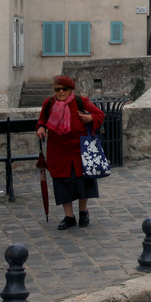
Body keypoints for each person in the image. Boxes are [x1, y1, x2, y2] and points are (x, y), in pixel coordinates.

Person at [36, 75, 105, 230]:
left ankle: (83, 212)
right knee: (62, 183)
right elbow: (42, 121)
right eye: (57, 89)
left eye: (64, 89)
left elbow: (99, 116)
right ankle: (69, 217)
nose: (60, 92)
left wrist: (89, 119)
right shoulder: (49, 104)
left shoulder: (81, 102)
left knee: (83, 182)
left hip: (80, 150)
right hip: (58, 151)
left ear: (70, 90)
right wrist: (41, 128)